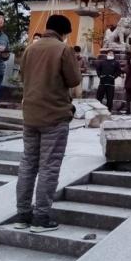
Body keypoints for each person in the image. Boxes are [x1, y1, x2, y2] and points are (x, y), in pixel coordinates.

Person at [15, 14, 81, 233]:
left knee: (28, 165)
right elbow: (73, 80)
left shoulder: (30, 49)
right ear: (63, 33)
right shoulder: (63, 49)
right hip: (54, 115)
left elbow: (23, 77)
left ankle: (22, 214)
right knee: (49, 167)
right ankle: (41, 217)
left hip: (31, 115)